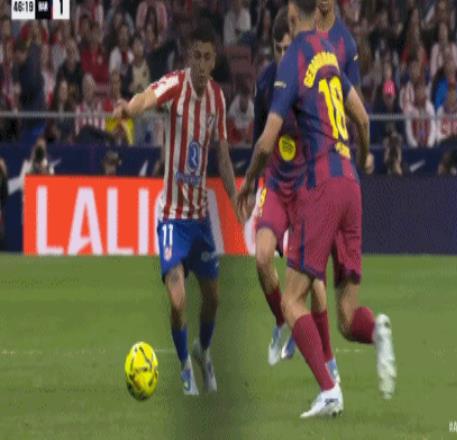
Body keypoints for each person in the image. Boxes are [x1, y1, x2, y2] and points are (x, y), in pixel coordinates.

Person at [238, 0, 396, 418]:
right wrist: (363, 156)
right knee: (347, 315)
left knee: (292, 301)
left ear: (293, 15)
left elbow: (266, 140)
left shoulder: (294, 58)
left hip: (320, 183)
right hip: (351, 184)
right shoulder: (329, 53)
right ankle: (376, 331)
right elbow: (363, 118)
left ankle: (329, 389)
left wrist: (249, 181)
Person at [113, 21, 241, 396]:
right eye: (195, 56)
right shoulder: (175, 86)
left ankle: (203, 351)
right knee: (178, 298)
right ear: (188, 57)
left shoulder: (217, 100)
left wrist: (235, 198)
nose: (201, 64)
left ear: (214, 60)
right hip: (171, 216)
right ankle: (185, 367)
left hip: (200, 217)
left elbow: (223, 157)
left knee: (213, 298)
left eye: (207, 57)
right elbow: (145, 98)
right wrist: (128, 109)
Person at [251, 7, 340, 379]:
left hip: (306, 187)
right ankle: (281, 321)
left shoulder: (308, 80)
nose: (283, 55)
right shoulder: (265, 83)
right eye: (278, 49)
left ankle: (329, 360)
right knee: (261, 258)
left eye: (288, 48)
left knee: (315, 284)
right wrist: (252, 183)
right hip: (275, 183)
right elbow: (260, 138)